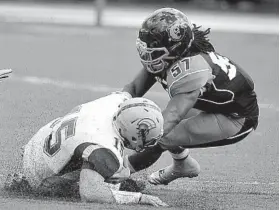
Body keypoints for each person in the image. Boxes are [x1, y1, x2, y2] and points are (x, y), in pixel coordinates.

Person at [121, 8, 259, 185]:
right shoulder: (176, 54)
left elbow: (170, 118)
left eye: (154, 51)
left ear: (175, 47)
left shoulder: (190, 69)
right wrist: (112, 106)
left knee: (160, 135)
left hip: (235, 118)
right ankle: (183, 164)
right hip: (213, 104)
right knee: (152, 115)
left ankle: (116, 174)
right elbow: (133, 88)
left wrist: (135, 138)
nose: (148, 55)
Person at [5, 92, 168, 207]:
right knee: (117, 176)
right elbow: (90, 193)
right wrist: (139, 199)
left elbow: (126, 93)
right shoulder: (106, 149)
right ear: (134, 134)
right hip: (40, 176)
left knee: (112, 168)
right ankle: (28, 180)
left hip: (38, 141)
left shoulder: (115, 102)